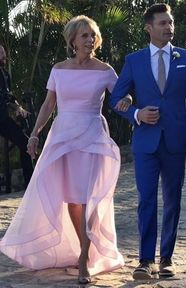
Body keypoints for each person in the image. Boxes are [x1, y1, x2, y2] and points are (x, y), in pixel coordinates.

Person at [0, 15, 131, 284]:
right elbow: (49, 105)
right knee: (73, 198)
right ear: (72, 40)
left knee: (91, 198)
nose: (90, 39)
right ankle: (85, 246)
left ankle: (84, 255)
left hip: (93, 136)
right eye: (84, 35)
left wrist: (128, 99)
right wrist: (34, 134)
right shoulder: (59, 69)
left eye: (93, 35)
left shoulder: (105, 70)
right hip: (64, 136)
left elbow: (120, 96)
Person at [110, 3, 186, 280]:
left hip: (177, 141)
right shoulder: (134, 60)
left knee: (173, 199)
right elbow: (116, 99)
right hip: (146, 143)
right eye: (163, 23)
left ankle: (166, 258)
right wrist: (137, 113)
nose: (169, 27)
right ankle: (144, 260)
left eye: (171, 23)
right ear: (149, 28)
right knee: (146, 199)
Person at [0, 45, 33, 189]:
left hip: (2, 118)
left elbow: (9, 96)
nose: (3, 54)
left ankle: (30, 183)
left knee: (25, 142)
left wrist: (19, 107)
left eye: (3, 52)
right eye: (0, 52)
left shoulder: (5, 73)